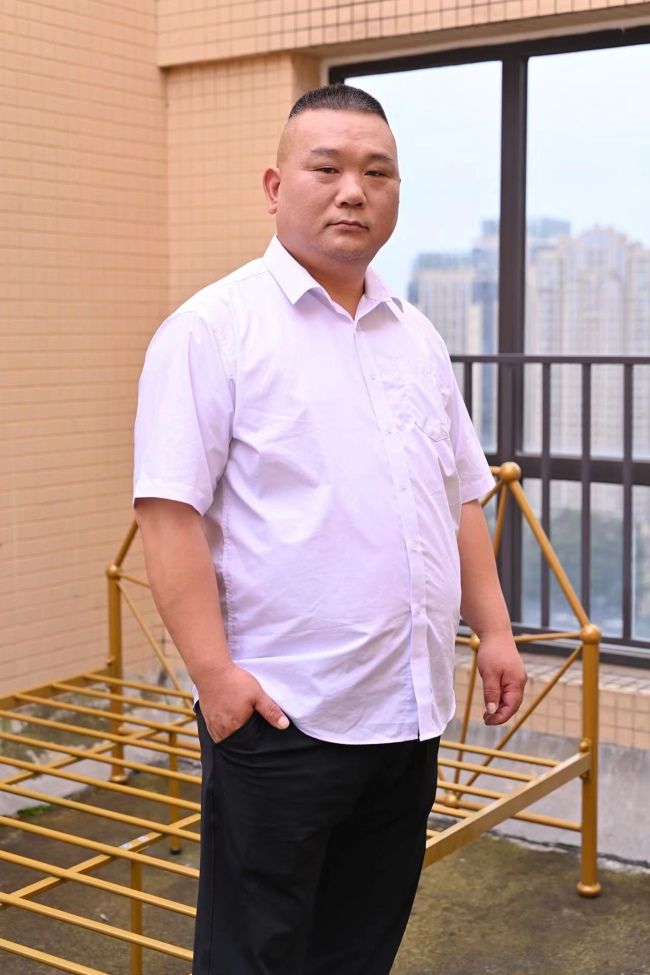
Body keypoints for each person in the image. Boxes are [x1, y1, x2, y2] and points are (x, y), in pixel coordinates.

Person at [133, 83, 527, 975]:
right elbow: (168, 514)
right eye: (329, 168)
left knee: (359, 946)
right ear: (276, 187)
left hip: (409, 711)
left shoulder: (415, 336)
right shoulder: (212, 330)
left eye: (377, 173)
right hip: (282, 715)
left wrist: (495, 631)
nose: (354, 190)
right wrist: (217, 682)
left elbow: (460, 495)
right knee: (256, 955)